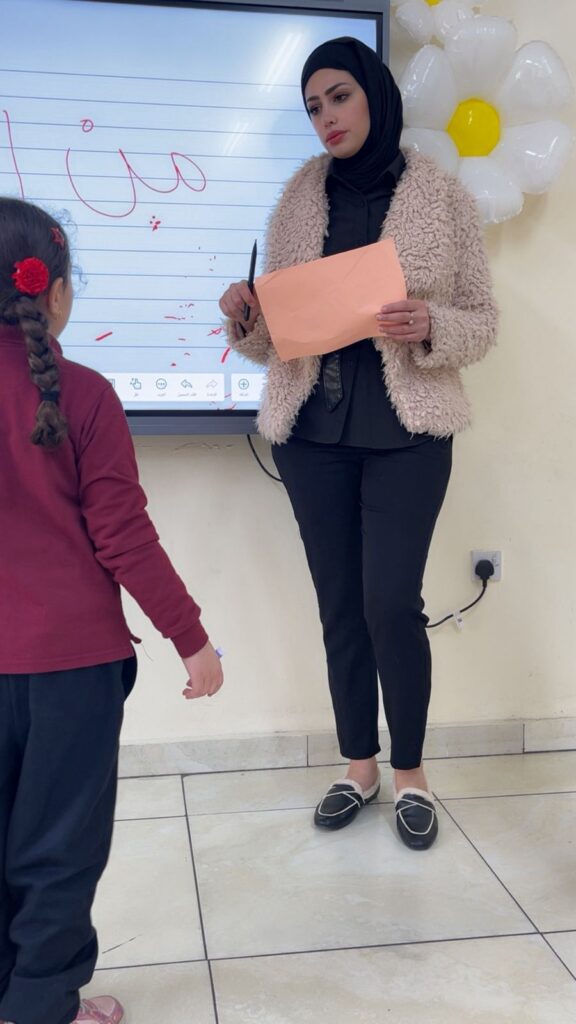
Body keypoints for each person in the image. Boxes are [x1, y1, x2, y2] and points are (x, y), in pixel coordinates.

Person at [219, 37, 497, 851]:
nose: (326, 118)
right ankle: (359, 766)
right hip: (314, 435)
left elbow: (483, 320)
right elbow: (278, 339)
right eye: (312, 107)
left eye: (339, 96)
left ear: (375, 93)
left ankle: (411, 774)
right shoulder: (297, 199)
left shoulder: (441, 197)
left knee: (389, 604)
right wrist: (248, 318)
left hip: (408, 432)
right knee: (339, 604)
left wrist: (432, 323)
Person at [0, 197, 223, 1024]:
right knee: (58, 846)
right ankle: (40, 1005)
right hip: (72, 669)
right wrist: (192, 640)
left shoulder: (81, 396)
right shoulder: (86, 395)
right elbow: (123, 537)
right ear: (55, 292)